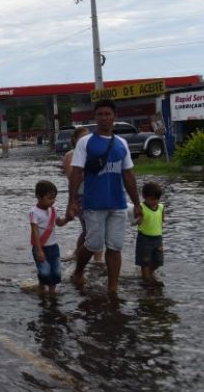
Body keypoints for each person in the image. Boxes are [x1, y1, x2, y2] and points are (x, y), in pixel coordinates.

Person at [66, 99, 143, 294]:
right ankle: (78, 271)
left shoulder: (121, 143)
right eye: (100, 114)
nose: (103, 118)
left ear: (114, 117)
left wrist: (137, 203)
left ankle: (113, 288)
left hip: (117, 203)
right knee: (93, 243)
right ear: (95, 117)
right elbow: (76, 173)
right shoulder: (85, 142)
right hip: (93, 203)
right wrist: (72, 202)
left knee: (115, 247)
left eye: (107, 114)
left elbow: (128, 174)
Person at [62, 126, 103, 262]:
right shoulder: (70, 155)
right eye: (82, 137)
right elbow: (72, 177)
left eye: (89, 137)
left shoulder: (94, 153)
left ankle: (90, 257)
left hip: (98, 195)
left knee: (95, 229)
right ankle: (89, 258)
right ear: (75, 139)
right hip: (81, 196)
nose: (86, 140)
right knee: (90, 230)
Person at [30, 180, 72, 295]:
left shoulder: (53, 210)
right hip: (40, 248)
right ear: (38, 197)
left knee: (55, 271)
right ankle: (41, 287)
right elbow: (35, 232)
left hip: (54, 247)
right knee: (44, 272)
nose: (52, 201)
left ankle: (52, 293)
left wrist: (67, 218)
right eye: (49, 198)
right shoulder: (34, 212)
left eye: (54, 198)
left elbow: (59, 223)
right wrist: (39, 250)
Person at [134, 181, 165, 288]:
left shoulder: (161, 207)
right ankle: (146, 280)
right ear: (144, 197)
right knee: (145, 262)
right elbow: (136, 221)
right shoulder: (141, 207)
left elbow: (161, 219)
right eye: (152, 199)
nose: (155, 201)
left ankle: (148, 275)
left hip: (158, 238)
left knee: (158, 261)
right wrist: (139, 219)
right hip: (144, 239)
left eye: (157, 199)